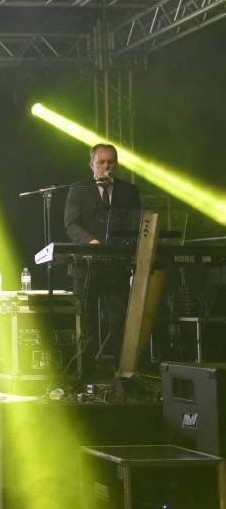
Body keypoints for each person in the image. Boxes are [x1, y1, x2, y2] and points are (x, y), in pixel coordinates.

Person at [64, 143, 141, 382]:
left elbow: (136, 225)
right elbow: (71, 223)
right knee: (86, 323)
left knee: (119, 321)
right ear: (91, 165)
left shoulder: (128, 191)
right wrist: (91, 241)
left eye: (111, 162)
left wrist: (122, 246)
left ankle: (121, 374)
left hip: (116, 265)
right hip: (86, 266)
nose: (107, 166)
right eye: (101, 162)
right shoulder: (79, 189)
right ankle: (85, 375)